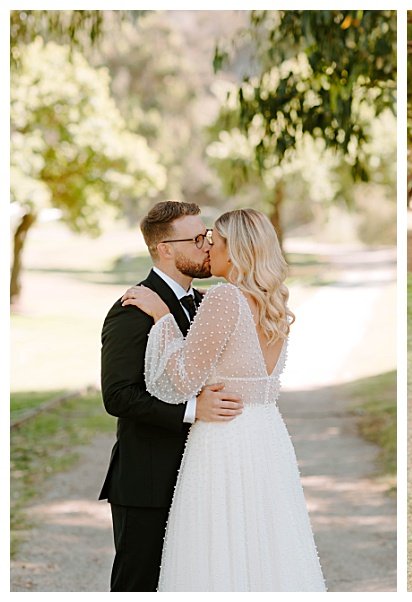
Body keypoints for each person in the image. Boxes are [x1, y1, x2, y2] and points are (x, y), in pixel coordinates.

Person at [120, 208, 325, 591]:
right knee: (264, 547)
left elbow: (180, 380)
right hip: (266, 436)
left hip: (225, 437)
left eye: (213, 242)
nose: (207, 250)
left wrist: (163, 317)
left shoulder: (225, 298)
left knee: (217, 549)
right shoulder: (273, 300)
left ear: (236, 249)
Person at [99, 200, 245, 591]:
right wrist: (194, 410)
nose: (207, 246)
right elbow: (118, 396)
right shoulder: (131, 310)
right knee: (140, 586)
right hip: (147, 482)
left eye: (208, 237)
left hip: (201, 476)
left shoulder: (206, 304)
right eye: (197, 239)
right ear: (166, 249)